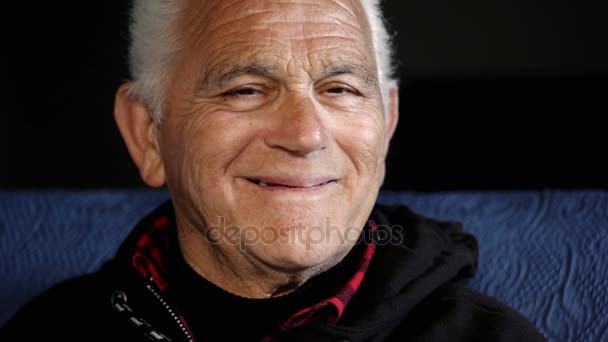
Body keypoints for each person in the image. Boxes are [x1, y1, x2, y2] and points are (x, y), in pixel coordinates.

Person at [1, 0, 545, 341]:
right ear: (148, 133)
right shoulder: (50, 331)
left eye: (341, 90)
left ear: (388, 123)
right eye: (245, 90)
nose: (305, 134)